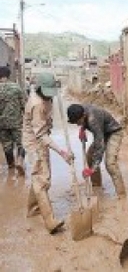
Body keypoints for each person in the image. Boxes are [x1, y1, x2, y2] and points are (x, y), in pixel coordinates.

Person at [23, 72, 74, 234]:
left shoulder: (47, 98)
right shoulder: (37, 104)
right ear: (39, 89)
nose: (49, 95)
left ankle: (33, 209)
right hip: (34, 142)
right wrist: (62, 152)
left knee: (39, 176)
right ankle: (50, 220)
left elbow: (46, 126)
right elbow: (40, 134)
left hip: (41, 138)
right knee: (43, 179)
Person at [66, 103, 126, 198]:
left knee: (110, 164)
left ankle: (122, 196)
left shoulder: (93, 120)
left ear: (84, 115)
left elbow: (100, 146)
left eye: (78, 122)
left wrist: (92, 169)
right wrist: (83, 128)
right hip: (102, 132)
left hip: (113, 133)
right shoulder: (81, 109)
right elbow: (85, 122)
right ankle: (97, 187)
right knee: (89, 157)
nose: (77, 124)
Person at [0, 66, 26, 176]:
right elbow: (24, 106)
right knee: (21, 143)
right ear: (9, 75)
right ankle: (20, 160)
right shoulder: (17, 88)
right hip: (16, 122)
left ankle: (11, 165)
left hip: (1, 123)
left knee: (6, 145)